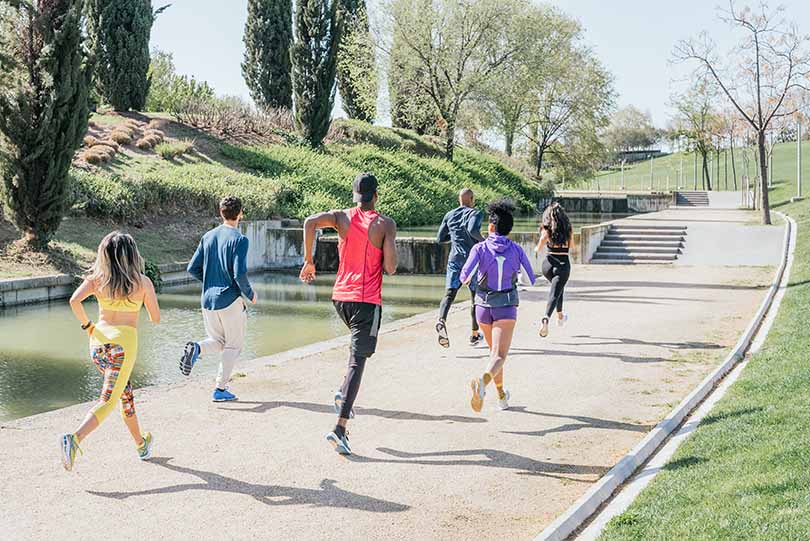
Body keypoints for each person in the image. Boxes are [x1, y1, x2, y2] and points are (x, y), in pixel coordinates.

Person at [300, 172, 398, 455]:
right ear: (376, 196)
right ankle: (339, 429)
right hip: (366, 302)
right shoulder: (384, 224)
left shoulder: (342, 217)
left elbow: (309, 222)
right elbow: (391, 267)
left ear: (355, 195)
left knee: (356, 355)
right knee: (358, 361)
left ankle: (343, 392)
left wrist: (309, 261)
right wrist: (389, 241)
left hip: (340, 299)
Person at [60, 232, 161, 471]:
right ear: (133, 255)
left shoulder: (98, 279)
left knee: (124, 394)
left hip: (97, 345)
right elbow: (155, 318)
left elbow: (74, 301)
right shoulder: (142, 282)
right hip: (122, 348)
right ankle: (74, 439)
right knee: (108, 400)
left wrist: (87, 326)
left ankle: (140, 443)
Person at [179, 196, 257, 402]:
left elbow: (192, 268)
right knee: (233, 346)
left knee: (218, 341)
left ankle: (196, 348)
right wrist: (251, 294)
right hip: (230, 300)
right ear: (240, 213)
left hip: (208, 300)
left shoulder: (208, 236)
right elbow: (239, 274)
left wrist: (210, 281)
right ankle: (220, 389)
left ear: (221, 213)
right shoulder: (240, 240)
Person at [462, 199, 535, 413]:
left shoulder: (479, 248)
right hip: (506, 306)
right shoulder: (517, 249)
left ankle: (502, 396)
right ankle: (482, 384)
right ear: (509, 229)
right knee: (500, 355)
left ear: (491, 227)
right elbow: (531, 280)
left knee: (494, 355)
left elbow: (464, 277)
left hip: (482, 307)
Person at [435, 188, 484, 348]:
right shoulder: (475, 213)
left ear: (459, 200)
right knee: (475, 297)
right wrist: (484, 242)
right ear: (471, 199)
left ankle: (441, 320)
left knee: (449, 293)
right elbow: (472, 230)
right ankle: (474, 334)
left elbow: (440, 238)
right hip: (472, 261)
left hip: (455, 259)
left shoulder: (449, 215)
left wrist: (456, 236)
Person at [534, 202, 573, 338]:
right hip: (562, 265)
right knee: (555, 292)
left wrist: (538, 249)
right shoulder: (568, 229)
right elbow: (572, 245)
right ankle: (546, 318)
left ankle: (560, 316)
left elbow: (541, 243)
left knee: (557, 288)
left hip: (547, 265)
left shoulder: (546, 229)